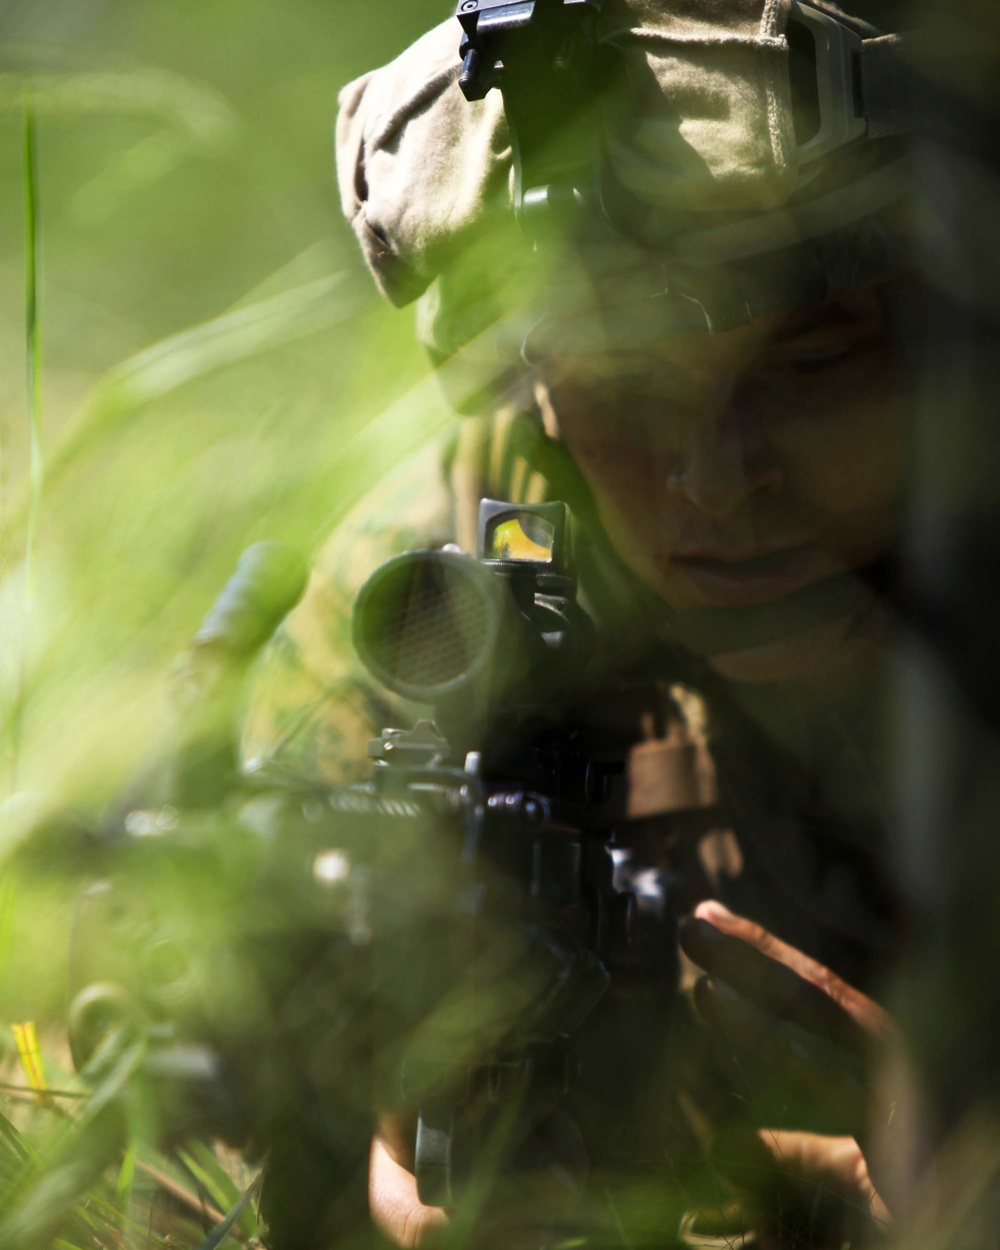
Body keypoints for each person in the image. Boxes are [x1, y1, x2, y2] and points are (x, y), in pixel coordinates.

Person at [243, 0, 915, 1244]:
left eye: (812, 367)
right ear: (533, 385)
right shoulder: (437, 584)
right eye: (626, 383)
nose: (717, 479)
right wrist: (333, 1162)